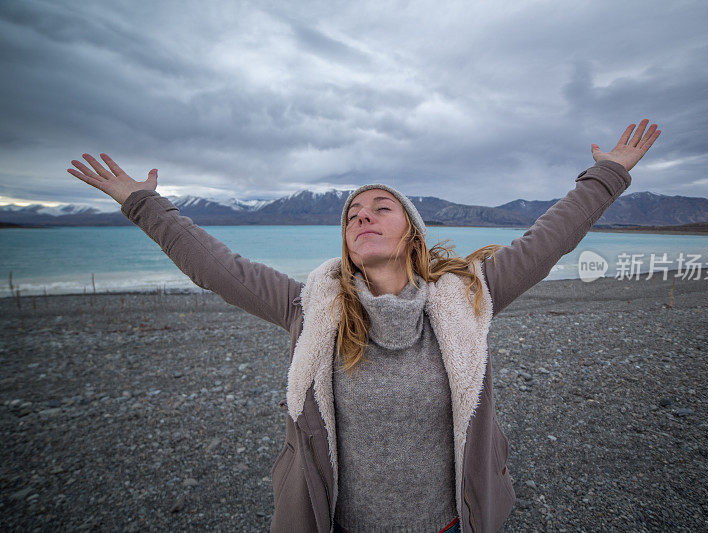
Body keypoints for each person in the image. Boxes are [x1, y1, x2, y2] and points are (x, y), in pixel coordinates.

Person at [68, 119, 661, 532]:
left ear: (412, 231)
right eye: (352, 213)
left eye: (381, 208)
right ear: (346, 242)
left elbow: (547, 240)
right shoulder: (310, 308)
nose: (362, 217)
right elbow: (215, 266)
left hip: (450, 525)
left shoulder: (469, 297)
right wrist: (143, 203)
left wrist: (607, 173)